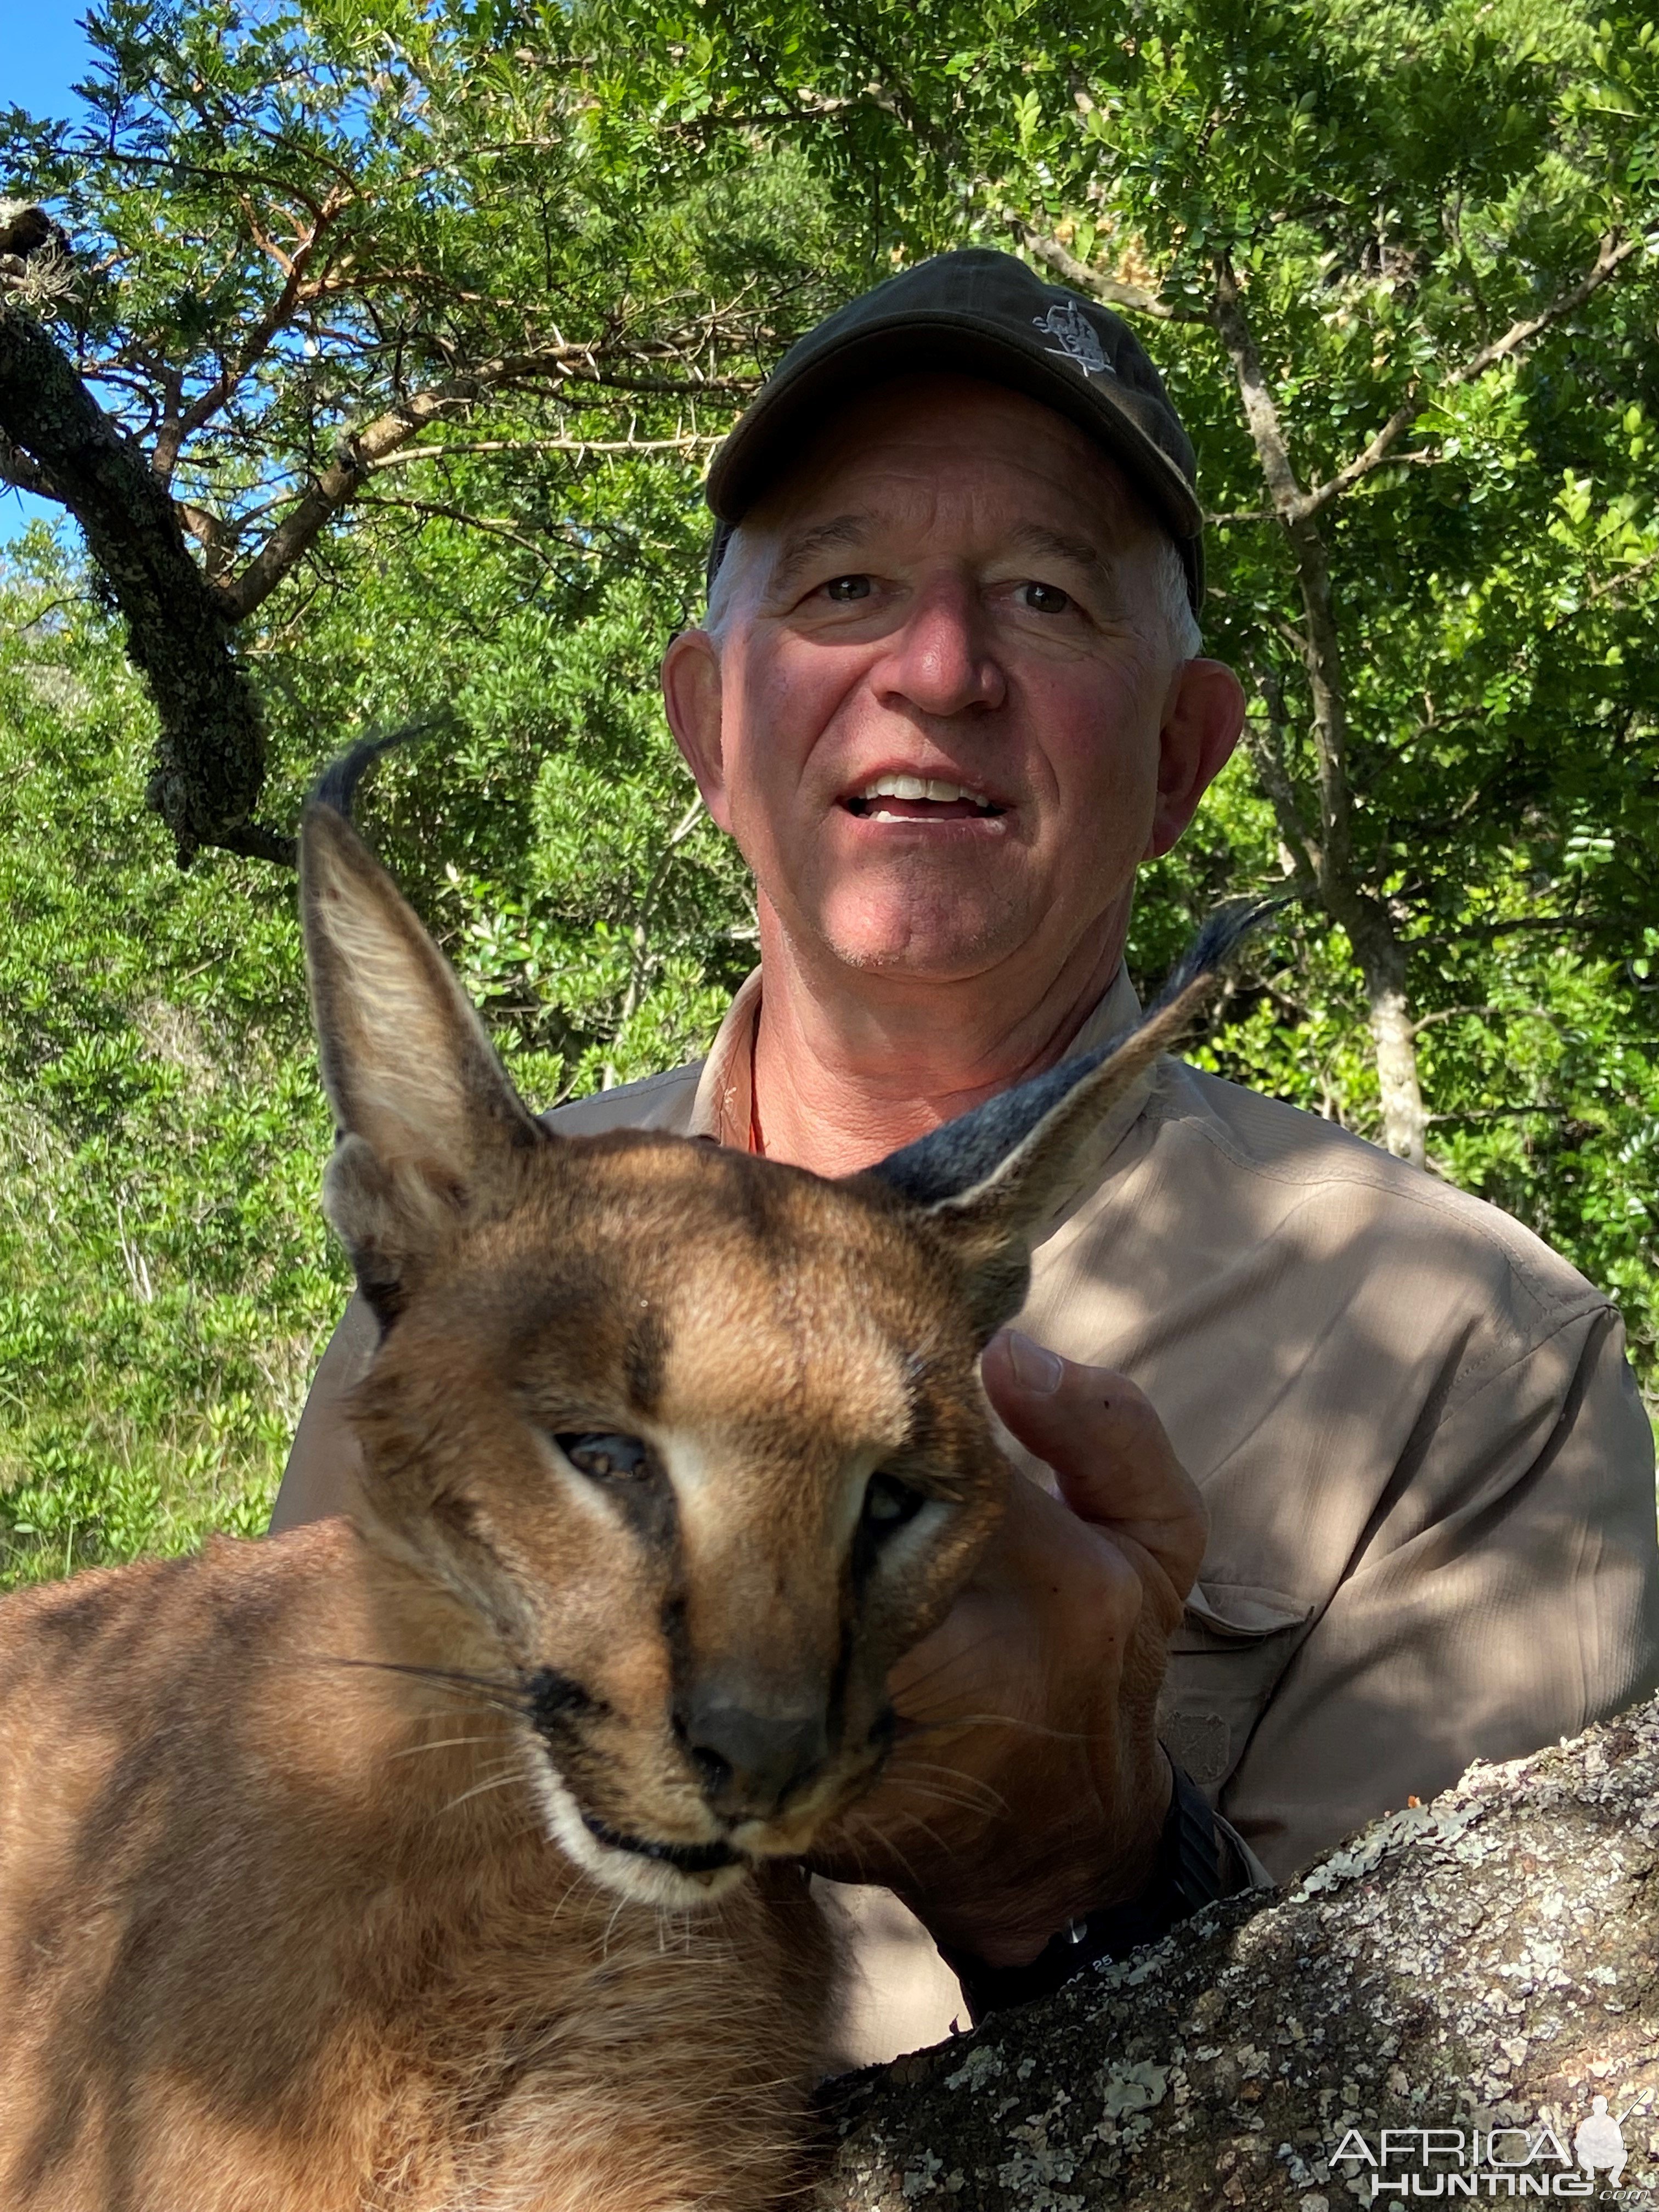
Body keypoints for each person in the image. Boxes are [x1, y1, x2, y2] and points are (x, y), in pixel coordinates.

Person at [272, 248, 1659, 2066]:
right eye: (849, 586)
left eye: (1045, 596)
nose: (937, 670)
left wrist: (1086, 1867)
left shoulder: (1467, 1358)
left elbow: (1473, 2138)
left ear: (1182, 757)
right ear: (707, 725)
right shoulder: (477, 1275)